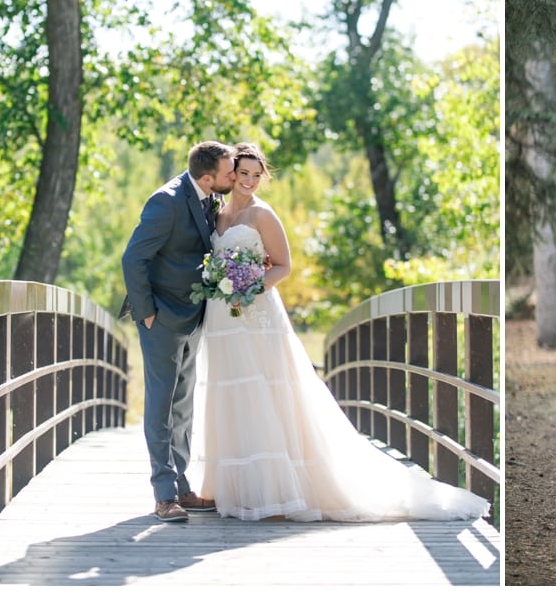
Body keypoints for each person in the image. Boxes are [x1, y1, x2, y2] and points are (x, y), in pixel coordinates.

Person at [190, 143, 489, 522]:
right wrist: (221, 282)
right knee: (231, 391)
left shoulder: (263, 214)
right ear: (230, 174)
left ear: (263, 176)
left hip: (257, 314)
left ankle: (281, 489)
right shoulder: (218, 214)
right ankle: (235, 488)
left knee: (267, 391)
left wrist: (251, 288)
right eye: (242, 173)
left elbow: (283, 265)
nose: (248, 181)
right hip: (223, 318)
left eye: (255, 174)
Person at [121, 141, 236, 522]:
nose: (234, 176)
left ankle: (183, 487)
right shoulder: (166, 202)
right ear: (208, 177)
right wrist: (147, 313)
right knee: (160, 406)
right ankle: (163, 495)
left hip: (193, 315)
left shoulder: (208, 198)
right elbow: (133, 258)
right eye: (229, 172)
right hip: (162, 318)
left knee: (183, 403)